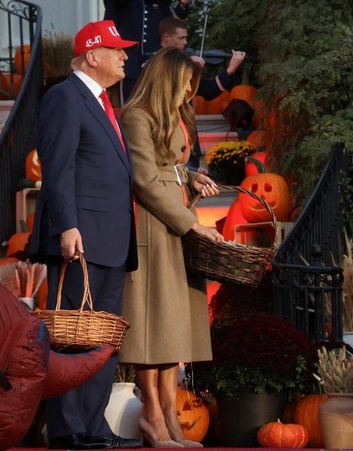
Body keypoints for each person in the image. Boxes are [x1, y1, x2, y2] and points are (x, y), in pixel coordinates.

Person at [28, 20, 141, 450]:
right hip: (81, 238)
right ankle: (69, 430)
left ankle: (95, 428)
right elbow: (58, 167)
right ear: (92, 55)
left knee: (101, 339)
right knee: (73, 336)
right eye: (117, 49)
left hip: (112, 240)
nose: (125, 56)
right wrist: (67, 225)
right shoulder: (65, 97)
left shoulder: (102, 102)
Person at [118, 46, 224, 448]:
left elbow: (170, 167)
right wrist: (192, 224)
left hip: (176, 217)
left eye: (192, 84)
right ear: (165, 80)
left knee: (171, 326)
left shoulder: (175, 114)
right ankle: (153, 417)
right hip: (153, 223)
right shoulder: (137, 116)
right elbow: (145, 180)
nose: (188, 91)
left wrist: (192, 177)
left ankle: (169, 415)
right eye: (183, 83)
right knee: (154, 323)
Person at [103, 0, 192, 104]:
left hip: (156, 67)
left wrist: (182, 5)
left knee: (157, 105)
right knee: (129, 106)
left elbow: (172, 26)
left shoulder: (162, 4)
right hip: (131, 66)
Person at [158, 17, 246, 102]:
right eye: (181, 38)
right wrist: (187, 70)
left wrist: (230, 70)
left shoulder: (184, 62)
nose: (185, 42)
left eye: (185, 38)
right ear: (166, 37)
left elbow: (208, 91)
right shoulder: (155, 62)